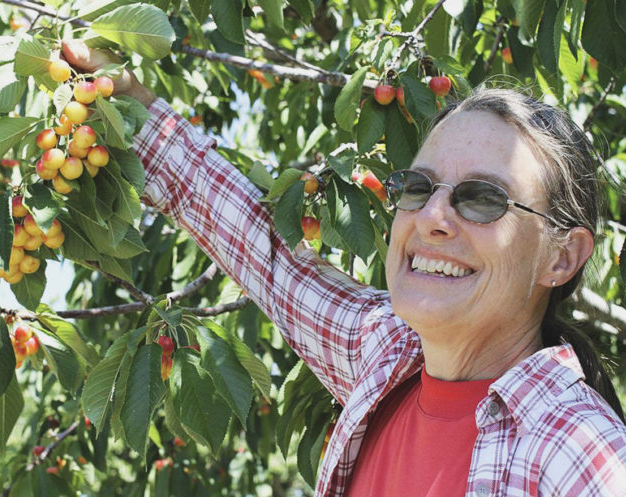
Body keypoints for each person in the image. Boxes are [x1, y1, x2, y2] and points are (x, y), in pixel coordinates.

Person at [62, 41, 626, 496]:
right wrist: (129, 105)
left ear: (562, 257)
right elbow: (267, 253)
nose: (431, 216)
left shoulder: (580, 456)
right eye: (418, 186)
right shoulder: (387, 356)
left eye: (482, 199)